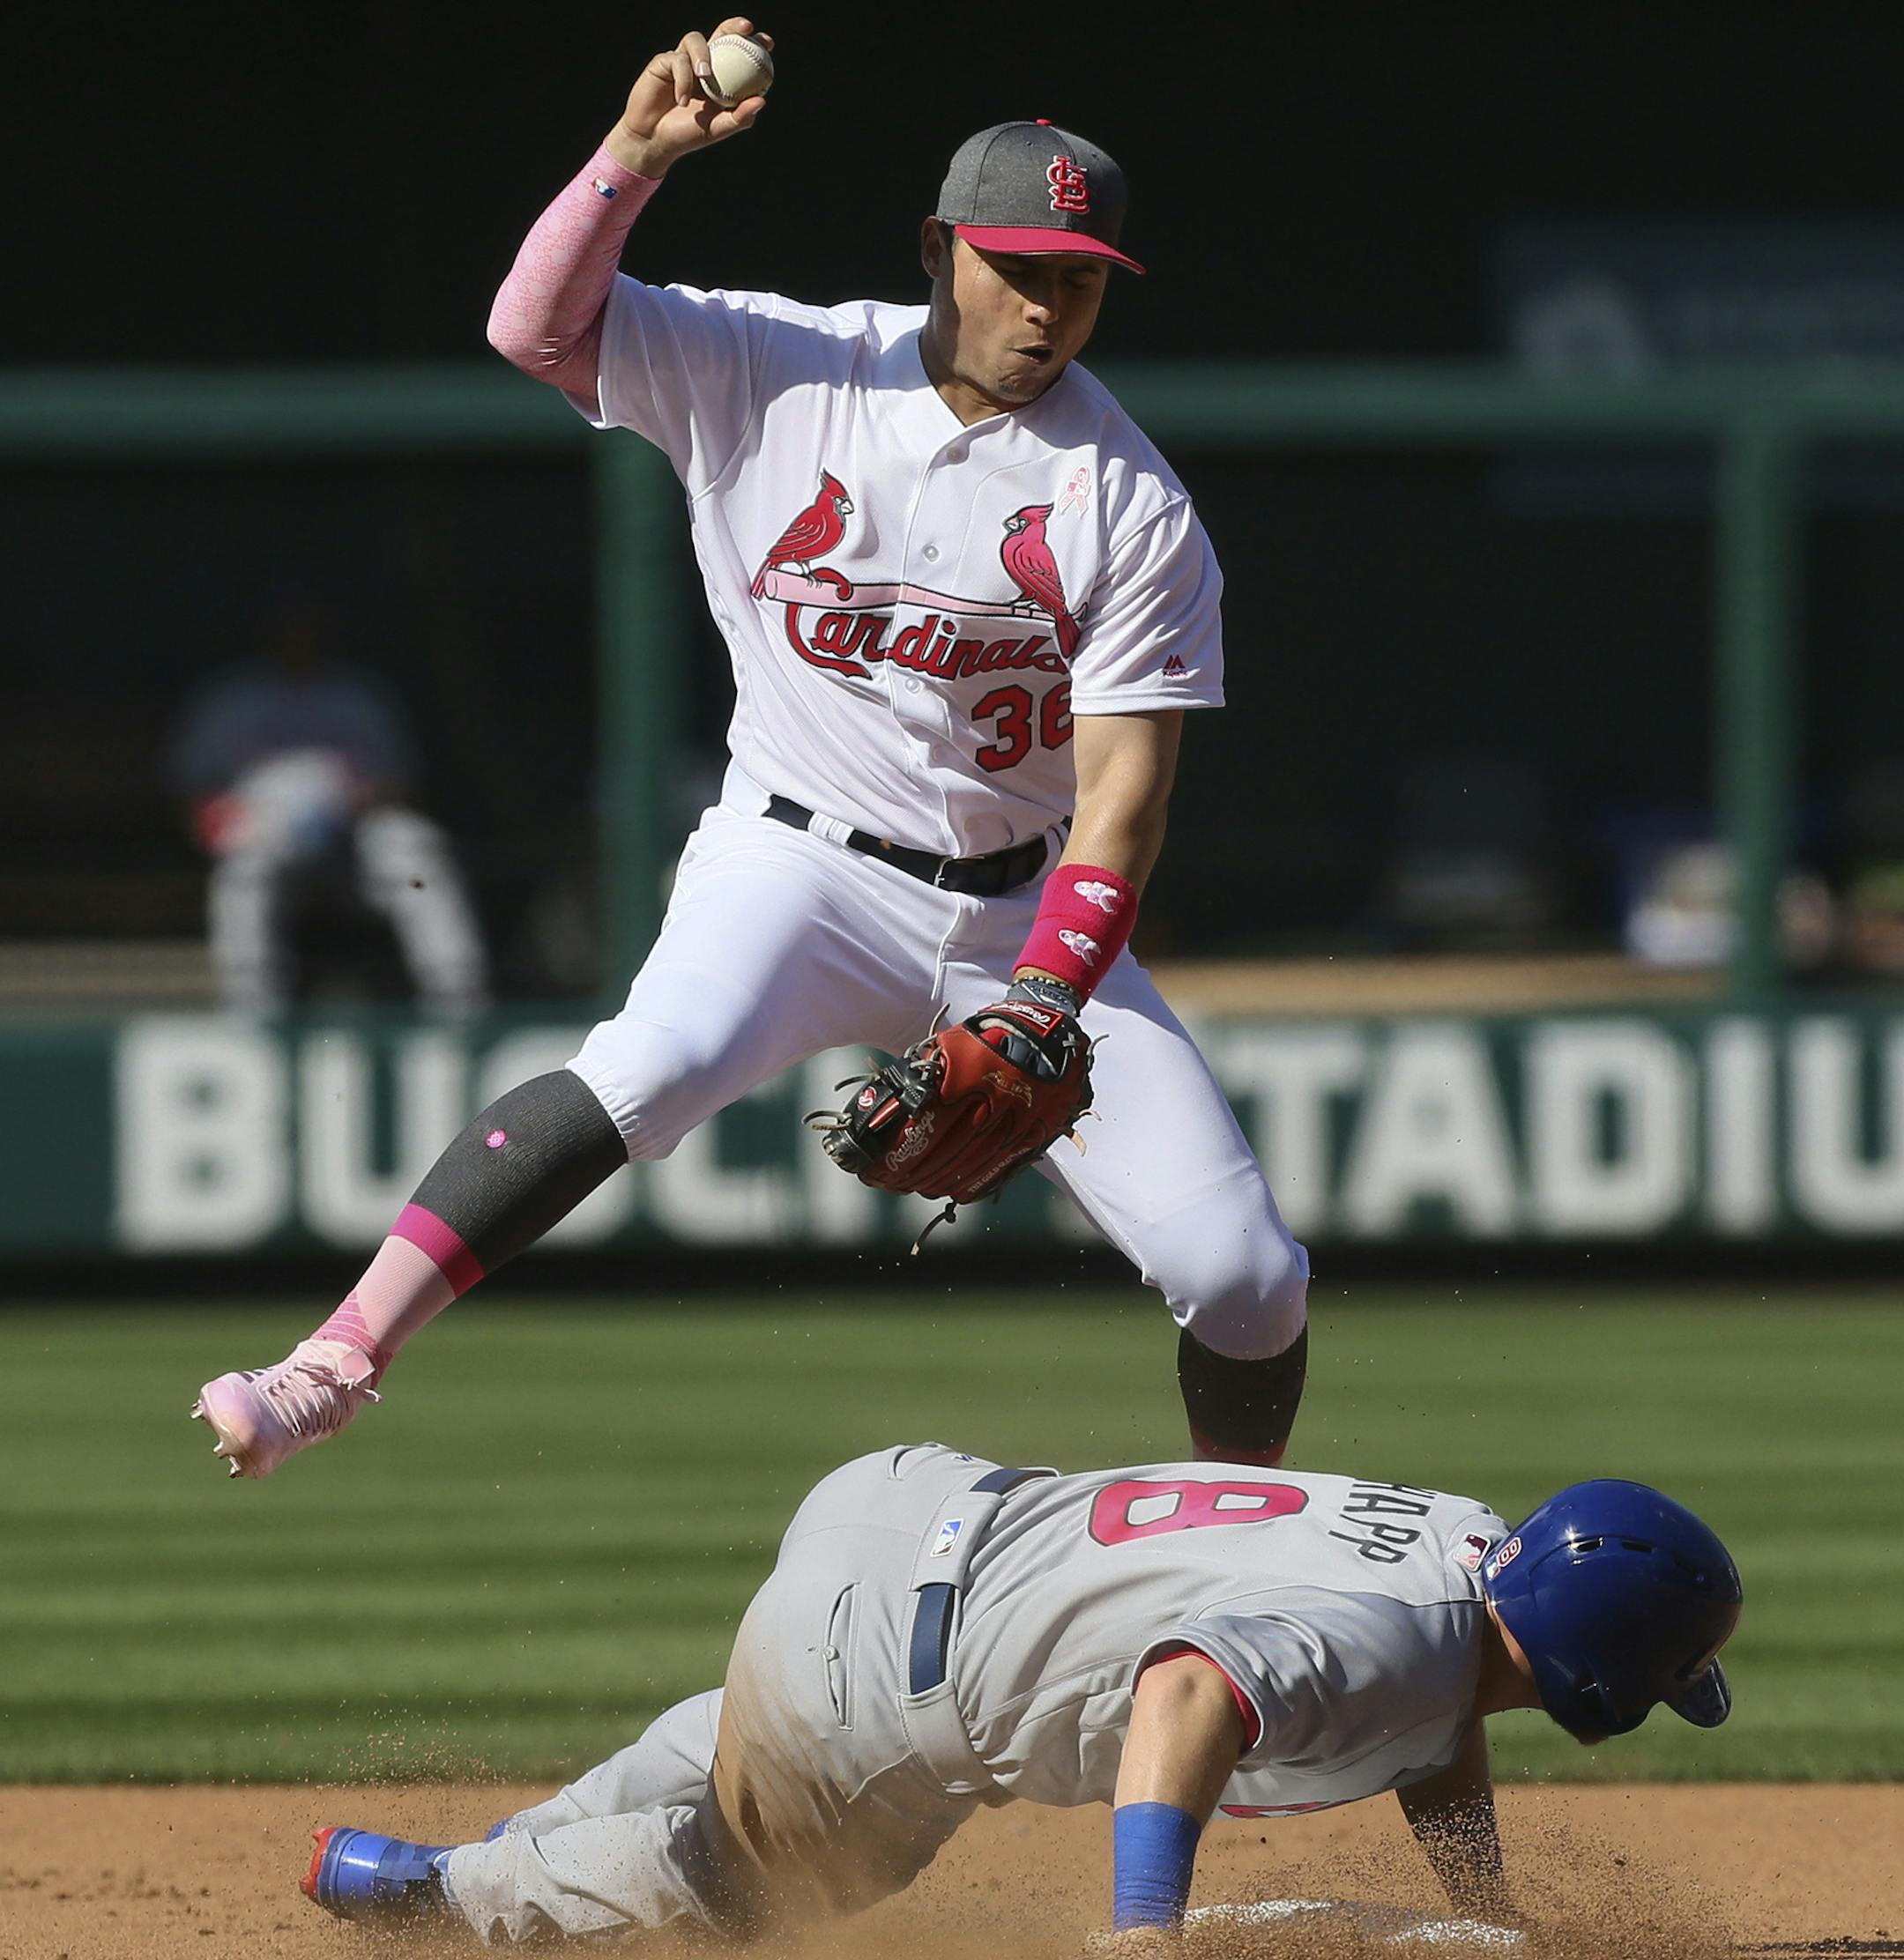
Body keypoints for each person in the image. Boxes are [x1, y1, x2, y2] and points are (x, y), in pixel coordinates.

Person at [191, 19, 1310, 1479]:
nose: (1046, 310)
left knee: (1248, 1275)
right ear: (937, 248)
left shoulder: (1129, 502)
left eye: (1079, 282)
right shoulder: (776, 363)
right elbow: (534, 332)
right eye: (1017, 268)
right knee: (644, 1070)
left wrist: (1042, 1003)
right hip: (797, 860)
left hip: (1018, 913)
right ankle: (333, 1361)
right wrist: (632, 159)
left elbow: (1123, 801)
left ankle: (1247, 1533)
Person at [297, 1448, 1743, 1943]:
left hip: (901, 1506)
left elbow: (1438, 1722)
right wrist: (1143, 1932)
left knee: (762, 1745)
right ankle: (447, 1895)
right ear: (1606, 1676)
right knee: (757, 1884)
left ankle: (527, 1835)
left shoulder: (1460, 1539)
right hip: (887, 1691)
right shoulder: (1414, 1641)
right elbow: (1192, 1691)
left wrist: (1483, 1910)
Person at [167, 590, 489, 1015]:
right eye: (289, 628)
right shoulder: (233, 700)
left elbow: (402, 786)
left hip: (355, 835)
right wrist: (245, 822)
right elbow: (194, 793)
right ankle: (251, 1009)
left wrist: (343, 798)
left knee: (415, 852)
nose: (300, 638)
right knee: (244, 873)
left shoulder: (357, 696)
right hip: (266, 830)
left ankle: (459, 1000)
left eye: (310, 629)